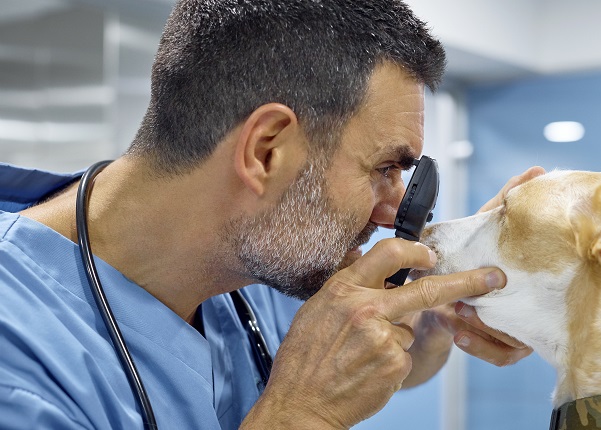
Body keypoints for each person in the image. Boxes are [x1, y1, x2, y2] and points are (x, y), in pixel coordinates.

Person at [0, 0, 544, 428]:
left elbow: (389, 364)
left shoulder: (256, 255)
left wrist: (438, 307)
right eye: (383, 169)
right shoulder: (17, 358)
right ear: (266, 151)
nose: (390, 211)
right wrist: (302, 416)